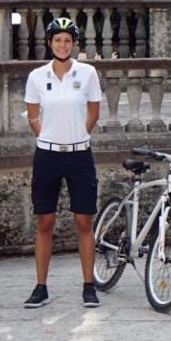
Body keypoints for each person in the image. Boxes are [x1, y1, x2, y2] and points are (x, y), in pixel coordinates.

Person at [23, 17, 103, 308]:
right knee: (45, 220)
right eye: (58, 40)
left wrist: (80, 133)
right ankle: (41, 286)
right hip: (47, 155)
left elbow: (93, 111)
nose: (62, 44)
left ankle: (88, 284)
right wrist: (45, 135)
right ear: (49, 43)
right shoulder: (37, 76)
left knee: (84, 220)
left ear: (74, 44)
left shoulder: (88, 73)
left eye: (68, 40)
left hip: (79, 153)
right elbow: (33, 114)